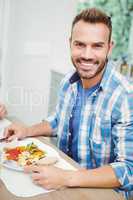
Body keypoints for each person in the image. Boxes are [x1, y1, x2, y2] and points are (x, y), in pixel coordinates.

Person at [4, 8, 133, 199]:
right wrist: (27, 130)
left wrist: (66, 178)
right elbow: (57, 121)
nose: (87, 55)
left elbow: (128, 170)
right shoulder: (68, 83)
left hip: (101, 193)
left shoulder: (125, 96)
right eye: (80, 44)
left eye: (97, 46)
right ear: (70, 43)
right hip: (61, 180)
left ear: (109, 47)